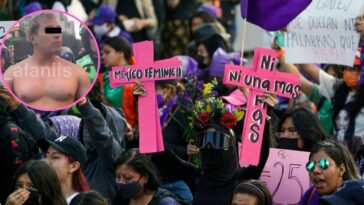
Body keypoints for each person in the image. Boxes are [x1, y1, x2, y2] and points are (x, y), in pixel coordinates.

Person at [3, 12, 91, 110]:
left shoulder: (78, 74)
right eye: (49, 30)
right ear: (32, 37)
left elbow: (90, 115)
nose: (57, 35)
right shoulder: (11, 75)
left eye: (58, 30)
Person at [300, 140, 361, 205]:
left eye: (323, 164)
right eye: (310, 165)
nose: (315, 170)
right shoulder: (310, 194)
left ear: (341, 169)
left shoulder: (355, 198)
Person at [114, 148, 180, 205]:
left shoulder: (165, 203)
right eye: (118, 177)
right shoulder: (121, 199)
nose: (121, 182)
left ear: (145, 178)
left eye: (128, 177)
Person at [38, 135, 90, 204]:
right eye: (46, 156)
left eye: (55, 157)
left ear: (74, 166)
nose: (46, 161)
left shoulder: (85, 202)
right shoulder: (38, 197)